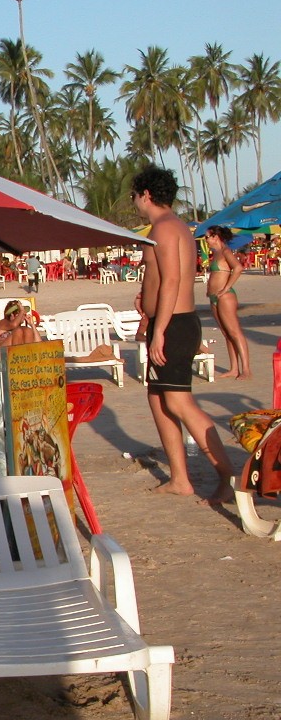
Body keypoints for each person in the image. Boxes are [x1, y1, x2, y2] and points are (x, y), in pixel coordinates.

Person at [131, 165, 234, 503]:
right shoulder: (175, 227)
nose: (134, 202)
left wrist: (158, 330)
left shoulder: (164, 229)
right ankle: (180, 478)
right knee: (158, 397)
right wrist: (147, 307)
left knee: (178, 400)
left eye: (134, 196)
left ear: (146, 195)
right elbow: (162, 280)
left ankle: (228, 475)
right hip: (171, 320)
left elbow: (173, 281)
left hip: (173, 324)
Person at [204, 225, 250, 379]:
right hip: (214, 297)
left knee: (235, 332)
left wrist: (226, 288)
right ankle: (234, 368)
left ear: (215, 237)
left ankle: (246, 369)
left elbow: (238, 268)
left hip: (225, 297)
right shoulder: (216, 253)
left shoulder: (225, 251)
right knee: (226, 333)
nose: (206, 240)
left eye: (207, 237)